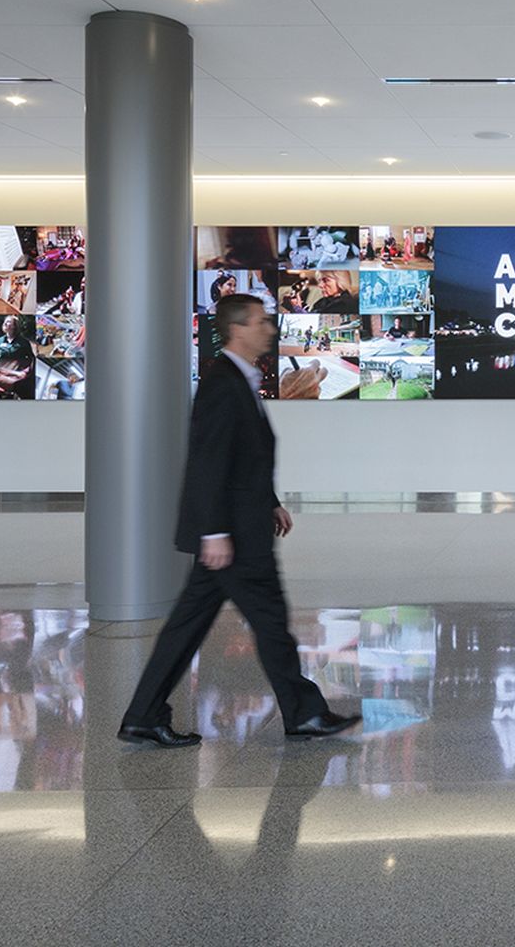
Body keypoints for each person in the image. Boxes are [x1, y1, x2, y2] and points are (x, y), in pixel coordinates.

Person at [118, 294, 360, 749]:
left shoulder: (239, 379)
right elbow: (207, 462)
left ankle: (143, 714)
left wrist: (268, 501)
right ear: (237, 330)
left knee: (187, 627)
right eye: (261, 322)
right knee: (269, 621)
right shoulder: (222, 383)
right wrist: (213, 532)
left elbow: (241, 457)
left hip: (239, 525)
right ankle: (305, 713)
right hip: (234, 536)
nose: (269, 328)